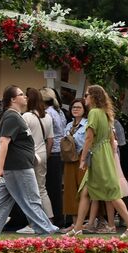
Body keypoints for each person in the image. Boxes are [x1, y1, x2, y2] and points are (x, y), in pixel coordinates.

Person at [0, 86, 58, 236]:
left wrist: (1, 167)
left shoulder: (13, 115)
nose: (25, 97)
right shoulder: (12, 116)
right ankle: (46, 230)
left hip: (15, 167)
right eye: (21, 94)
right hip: (18, 167)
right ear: (12, 99)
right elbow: (4, 142)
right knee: (32, 200)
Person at [69, 84, 128, 238]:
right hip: (104, 154)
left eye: (87, 95)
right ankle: (78, 228)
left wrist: (83, 159)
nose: (85, 97)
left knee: (111, 192)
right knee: (86, 192)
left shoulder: (94, 113)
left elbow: (89, 138)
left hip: (98, 156)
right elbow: (112, 140)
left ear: (93, 97)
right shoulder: (106, 113)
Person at [21, 87, 55, 232]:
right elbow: (51, 140)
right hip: (42, 153)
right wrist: (46, 155)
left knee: (29, 190)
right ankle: (49, 218)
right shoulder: (47, 116)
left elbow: (21, 138)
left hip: (29, 154)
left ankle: (33, 223)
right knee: (42, 189)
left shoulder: (26, 117)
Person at [42, 87, 69, 227]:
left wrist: (45, 154)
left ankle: (55, 219)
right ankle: (60, 218)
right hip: (60, 152)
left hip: (52, 152)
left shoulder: (47, 114)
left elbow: (48, 137)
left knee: (51, 188)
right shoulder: (60, 112)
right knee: (57, 187)